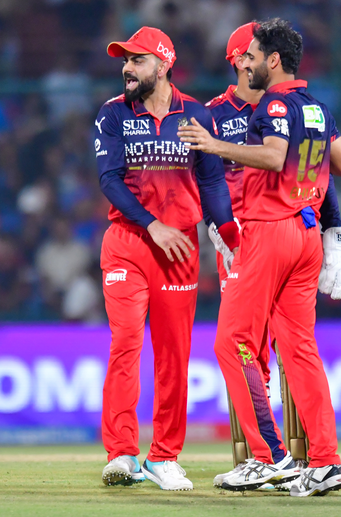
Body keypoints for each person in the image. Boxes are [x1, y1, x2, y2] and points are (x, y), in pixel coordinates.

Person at [178, 18, 341, 495]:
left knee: (230, 343)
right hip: (305, 232)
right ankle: (325, 461)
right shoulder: (315, 106)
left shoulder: (272, 105)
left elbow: (274, 156)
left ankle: (269, 457)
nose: (248, 64)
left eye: (254, 57)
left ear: (270, 60)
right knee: (299, 349)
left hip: (267, 233)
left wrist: (215, 145)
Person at [95, 26, 240, 491]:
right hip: (128, 241)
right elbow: (109, 178)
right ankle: (121, 453)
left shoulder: (196, 114)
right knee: (125, 342)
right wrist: (151, 224)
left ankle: (164, 456)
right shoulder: (113, 114)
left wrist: (227, 233)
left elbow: (213, 182)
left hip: (179, 247)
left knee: (174, 354)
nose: (127, 68)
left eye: (137, 60)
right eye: (125, 60)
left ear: (163, 65)